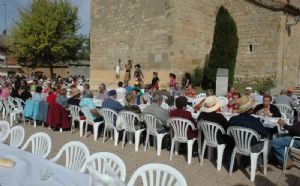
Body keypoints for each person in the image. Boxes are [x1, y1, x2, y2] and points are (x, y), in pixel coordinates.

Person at [229, 95, 270, 168]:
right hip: (252, 146)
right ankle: (259, 162)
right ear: (250, 109)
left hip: (237, 144)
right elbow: (265, 133)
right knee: (269, 141)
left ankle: (251, 160)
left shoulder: (233, 119)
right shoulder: (255, 121)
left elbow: (229, 131)